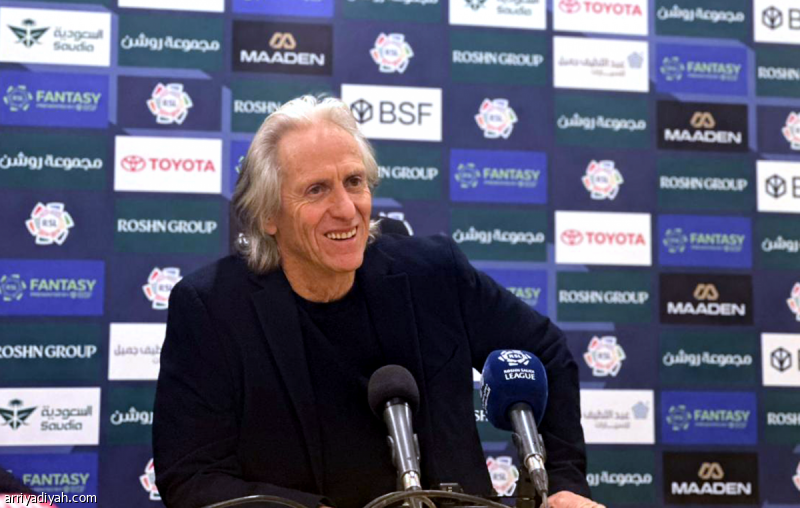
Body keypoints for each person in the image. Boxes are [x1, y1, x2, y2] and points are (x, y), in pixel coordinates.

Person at [153, 96, 601, 508]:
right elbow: (192, 477)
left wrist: (564, 483)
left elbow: (544, 353)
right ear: (269, 214)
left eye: (354, 182)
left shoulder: (434, 274)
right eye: (316, 190)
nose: (346, 209)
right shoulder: (213, 309)